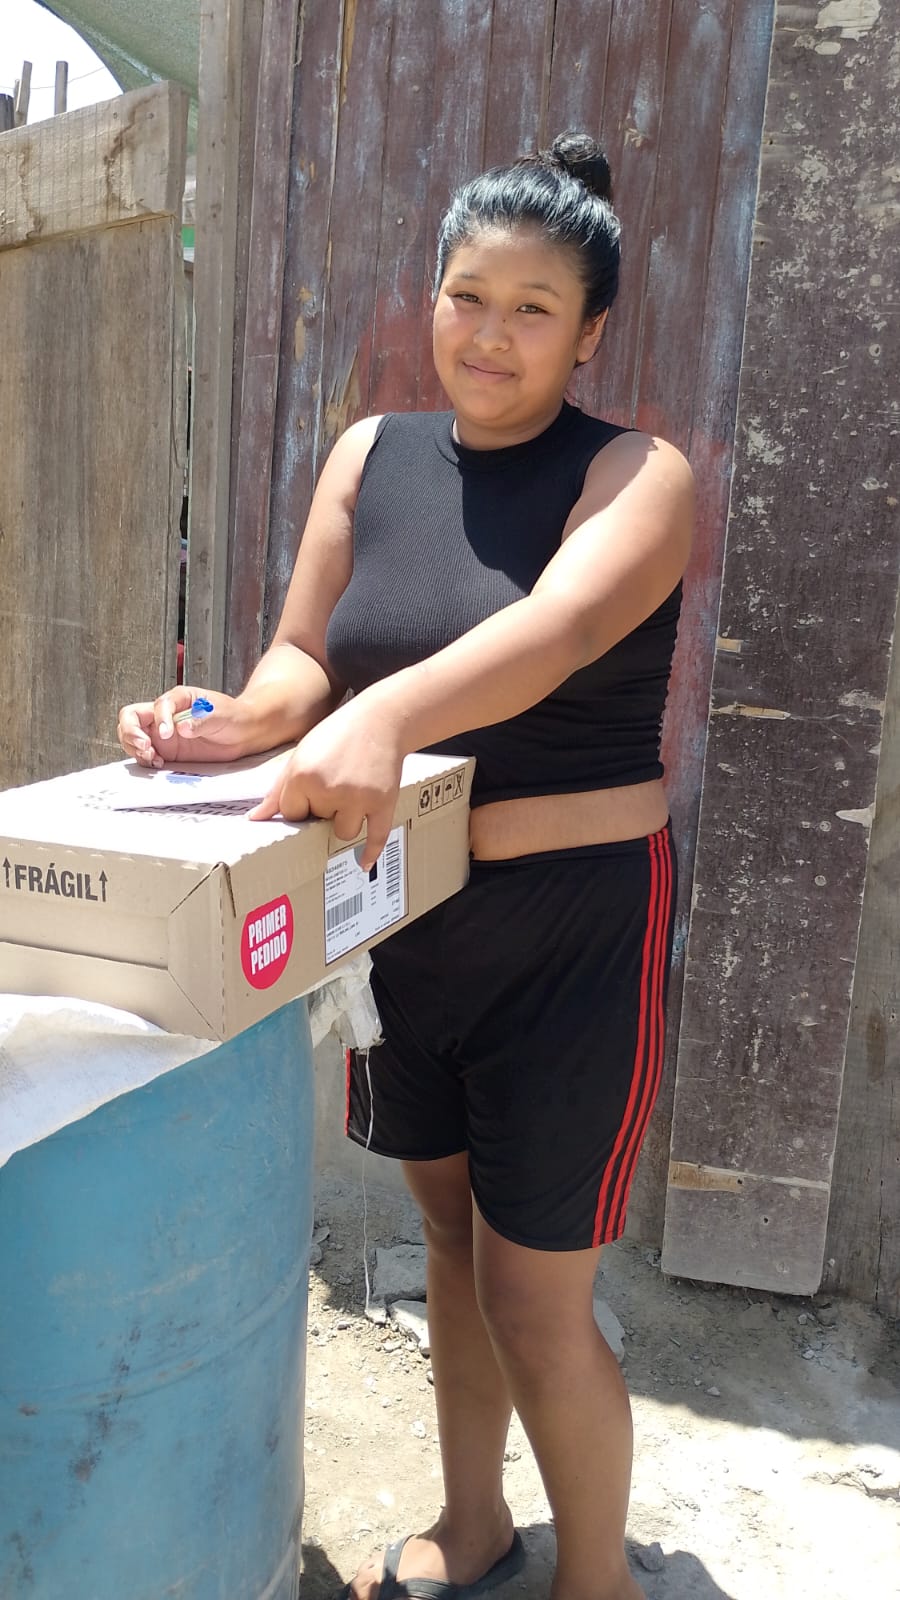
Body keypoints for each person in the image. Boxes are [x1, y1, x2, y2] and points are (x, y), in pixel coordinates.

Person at [118, 131, 693, 1600]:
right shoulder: (372, 455)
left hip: (572, 933)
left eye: (533, 309)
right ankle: (476, 1520)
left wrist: (382, 717)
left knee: (536, 1296)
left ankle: (600, 1582)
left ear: (590, 332)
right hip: (399, 915)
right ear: (431, 298)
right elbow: (306, 658)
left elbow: (558, 632)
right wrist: (221, 724)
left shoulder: (638, 476)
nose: (490, 335)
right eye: (466, 297)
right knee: (447, 1239)